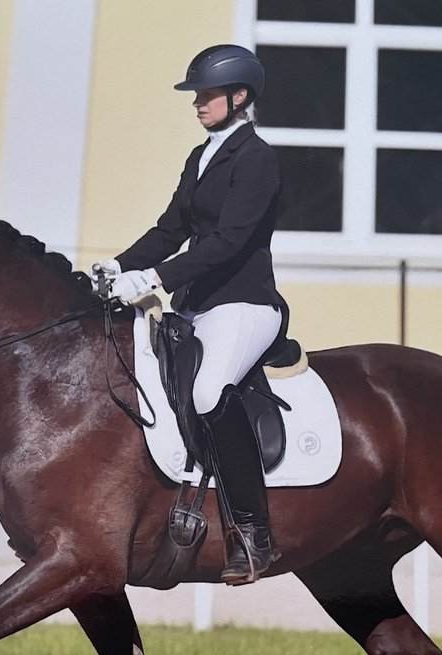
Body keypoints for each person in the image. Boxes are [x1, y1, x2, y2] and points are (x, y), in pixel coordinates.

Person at [96, 44, 287, 586]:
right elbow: (169, 230)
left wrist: (155, 280)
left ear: (239, 97)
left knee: (207, 393)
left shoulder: (257, 159)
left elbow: (228, 242)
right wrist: (117, 264)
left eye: (206, 94)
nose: (198, 103)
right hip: (197, 307)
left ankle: (254, 535)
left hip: (245, 304)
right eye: (196, 95)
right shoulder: (201, 156)